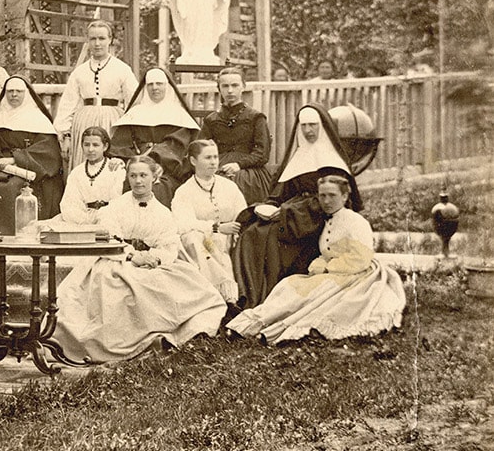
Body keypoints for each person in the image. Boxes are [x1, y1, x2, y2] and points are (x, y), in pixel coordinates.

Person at [54, 156, 227, 363]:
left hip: (152, 263)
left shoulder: (163, 213)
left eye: (143, 175)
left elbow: (169, 245)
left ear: (154, 177)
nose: (138, 181)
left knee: (194, 287)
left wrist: (154, 257)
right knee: (114, 287)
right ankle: (128, 343)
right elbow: (108, 238)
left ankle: (177, 334)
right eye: (133, 175)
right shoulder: (114, 208)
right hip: (116, 260)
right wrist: (132, 256)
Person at [227, 174, 405, 344]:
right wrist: (321, 265)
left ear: (344, 197)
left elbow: (361, 259)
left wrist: (327, 268)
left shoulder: (356, 221)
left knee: (313, 297)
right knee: (288, 286)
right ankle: (248, 324)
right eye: (322, 196)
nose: (326, 201)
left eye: (332, 195)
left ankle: (264, 327)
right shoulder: (328, 220)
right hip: (335, 273)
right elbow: (327, 252)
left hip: (358, 275)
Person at [232, 104, 362, 309]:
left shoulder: (334, 163)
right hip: (292, 216)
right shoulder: (299, 156)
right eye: (304, 126)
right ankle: (244, 296)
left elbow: (330, 203)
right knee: (251, 230)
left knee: (268, 236)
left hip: (313, 221)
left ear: (324, 127)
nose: (308, 131)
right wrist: (269, 206)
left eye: (313, 125)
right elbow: (282, 192)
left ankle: (267, 298)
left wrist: (284, 213)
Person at [0, 76, 65, 235]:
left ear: (27, 94)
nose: (14, 95)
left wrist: (15, 159)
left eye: (18, 91)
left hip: (27, 170)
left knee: (12, 187)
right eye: (10, 91)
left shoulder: (38, 119)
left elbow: (48, 153)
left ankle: (17, 234)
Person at [53, 20, 139, 170]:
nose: (97, 43)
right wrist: (65, 136)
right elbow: (68, 105)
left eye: (101, 38)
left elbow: (135, 102)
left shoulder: (122, 69)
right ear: (88, 41)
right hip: (83, 123)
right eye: (93, 39)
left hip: (112, 123)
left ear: (110, 40)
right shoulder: (80, 71)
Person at [109, 67, 200, 207]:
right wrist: (124, 160)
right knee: (120, 183)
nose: (154, 88)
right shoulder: (135, 113)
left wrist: (156, 162)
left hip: (166, 168)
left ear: (167, 86)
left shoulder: (178, 114)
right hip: (134, 166)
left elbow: (177, 145)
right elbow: (120, 143)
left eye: (159, 84)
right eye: (150, 84)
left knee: (159, 187)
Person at [171, 140, 247, 306]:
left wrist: (235, 229)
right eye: (207, 158)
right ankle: (219, 299)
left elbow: (242, 213)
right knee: (194, 238)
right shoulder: (184, 191)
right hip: (203, 240)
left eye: (215, 157)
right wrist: (216, 228)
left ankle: (236, 298)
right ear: (193, 161)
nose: (213, 162)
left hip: (231, 239)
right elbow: (183, 224)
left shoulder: (229, 186)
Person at [199, 67, 272, 204]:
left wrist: (239, 164)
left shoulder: (256, 117)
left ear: (243, 86)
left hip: (248, 171)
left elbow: (262, 153)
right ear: (219, 88)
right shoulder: (211, 120)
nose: (230, 90)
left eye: (235, 85)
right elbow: (200, 149)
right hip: (217, 167)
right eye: (225, 86)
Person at [55, 126, 125, 226]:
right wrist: (84, 221)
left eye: (95, 145)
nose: (90, 149)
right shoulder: (77, 172)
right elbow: (70, 203)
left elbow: (118, 200)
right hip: (82, 219)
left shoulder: (115, 168)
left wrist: (102, 217)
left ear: (105, 146)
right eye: (86, 145)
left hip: (110, 217)